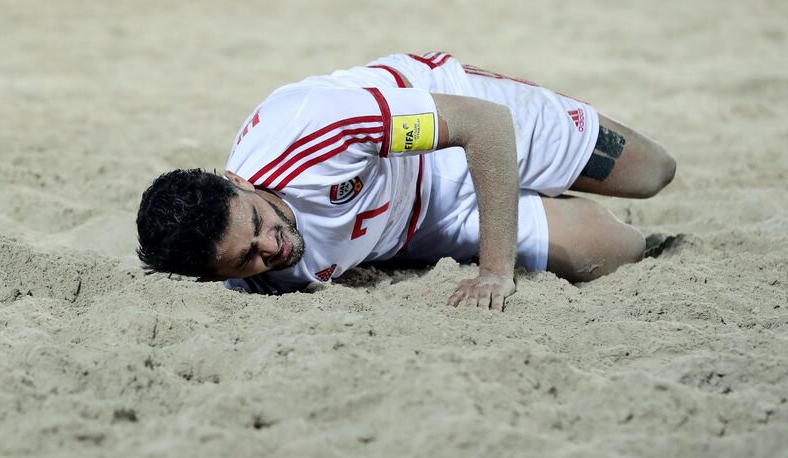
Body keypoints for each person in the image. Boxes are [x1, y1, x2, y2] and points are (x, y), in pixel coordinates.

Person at [136, 52, 675, 312]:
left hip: (454, 126)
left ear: (238, 181)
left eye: (258, 223)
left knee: (653, 173)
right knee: (623, 250)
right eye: (247, 257)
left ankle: (526, 177)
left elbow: (483, 127)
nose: (272, 248)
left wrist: (494, 272)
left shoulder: (312, 131)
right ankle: (525, 198)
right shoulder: (236, 281)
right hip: (423, 225)